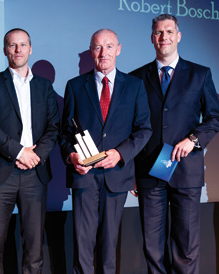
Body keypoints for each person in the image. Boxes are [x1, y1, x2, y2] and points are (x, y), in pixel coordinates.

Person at [130, 14, 219, 273]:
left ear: (178, 36)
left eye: (169, 32)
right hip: (149, 172)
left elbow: (215, 118)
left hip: (186, 171)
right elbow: (132, 128)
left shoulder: (200, 74)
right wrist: (132, 173)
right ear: (152, 38)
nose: (164, 37)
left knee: (186, 246)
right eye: (159, 32)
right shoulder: (136, 78)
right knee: (152, 247)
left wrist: (193, 140)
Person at [59, 29, 152, 274]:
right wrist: (71, 156)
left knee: (110, 245)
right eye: (98, 47)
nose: (104, 53)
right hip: (84, 176)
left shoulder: (135, 86)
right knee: (82, 245)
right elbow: (64, 133)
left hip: (117, 176)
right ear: (91, 51)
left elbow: (144, 130)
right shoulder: (75, 86)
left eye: (109, 47)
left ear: (119, 49)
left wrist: (120, 154)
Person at [0, 28, 59, 274]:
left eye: (23, 45)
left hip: (35, 173)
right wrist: (19, 152)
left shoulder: (45, 86)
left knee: (34, 245)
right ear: (5, 50)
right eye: (12, 45)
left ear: (30, 49)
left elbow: (53, 127)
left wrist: (34, 156)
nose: (18, 50)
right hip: (1, 171)